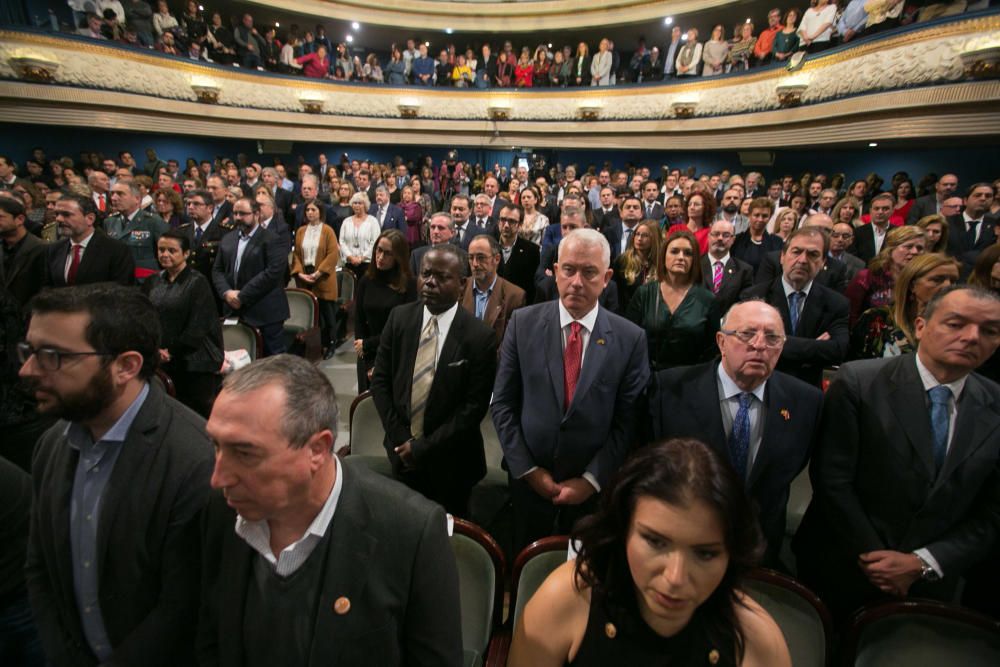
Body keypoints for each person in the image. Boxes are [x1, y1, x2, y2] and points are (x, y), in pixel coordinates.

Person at [199, 355, 464, 666]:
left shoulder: (410, 532)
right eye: (216, 446)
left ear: (317, 449)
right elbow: (210, 642)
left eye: (244, 453)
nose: (218, 478)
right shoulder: (222, 508)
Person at [20, 284, 213, 666]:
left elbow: (183, 606)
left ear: (125, 366)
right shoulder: (53, 445)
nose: (27, 370)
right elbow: (40, 568)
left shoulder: (193, 459)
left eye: (53, 356)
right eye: (29, 352)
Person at [795, 285, 1000, 620]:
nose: (972, 337)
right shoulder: (859, 382)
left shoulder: (995, 405)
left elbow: (992, 512)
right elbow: (832, 479)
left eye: (989, 330)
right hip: (844, 562)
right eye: (956, 324)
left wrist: (924, 562)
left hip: (930, 580)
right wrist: (877, 556)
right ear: (920, 326)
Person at [510, 438, 791, 667]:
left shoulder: (758, 642)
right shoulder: (566, 599)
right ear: (623, 530)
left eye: (705, 554)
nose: (675, 578)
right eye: (656, 542)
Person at [492, 229, 649, 551]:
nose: (577, 281)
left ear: (606, 277)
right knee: (525, 569)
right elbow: (503, 404)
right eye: (568, 270)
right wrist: (529, 470)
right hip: (527, 482)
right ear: (555, 270)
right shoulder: (522, 324)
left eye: (589, 272)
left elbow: (627, 422)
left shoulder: (630, 339)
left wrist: (590, 481)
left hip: (593, 492)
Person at [650, 301, 822, 566]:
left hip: (758, 551)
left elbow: (790, 469)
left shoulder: (806, 402)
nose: (759, 345)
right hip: (682, 547)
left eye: (772, 337)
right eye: (747, 334)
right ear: (721, 342)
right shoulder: (669, 390)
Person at [370, 244, 497, 517]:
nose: (430, 282)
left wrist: (422, 448)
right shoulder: (400, 318)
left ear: (462, 284)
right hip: (400, 454)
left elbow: (473, 408)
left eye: (442, 277)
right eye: (426, 274)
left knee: (447, 543)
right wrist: (402, 439)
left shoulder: (479, 337)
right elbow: (380, 382)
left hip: (451, 464)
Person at [740, 227, 849, 387]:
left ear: (823, 262)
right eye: (796, 252)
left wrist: (773, 339)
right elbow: (746, 344)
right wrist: (815, 346)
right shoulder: (754, 297)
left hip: (808, 389)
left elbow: (838, 350)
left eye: (813, 254)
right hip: (762, 385)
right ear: (782, 256)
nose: (803, 260)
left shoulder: (836, 303)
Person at [141, 229, 223, 417]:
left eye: (172, 250)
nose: (165, 255)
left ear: (186, 254)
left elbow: (198, 326)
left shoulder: (197, 282)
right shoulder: (153, 281)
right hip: (161, 356)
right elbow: (145, 316)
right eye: (161, 250)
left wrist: (172, 351)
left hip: (193, 360)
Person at [627, 230, 719, 370]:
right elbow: (629, 340)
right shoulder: (644, 293)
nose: (681, 257)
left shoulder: (707, 300)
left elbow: (711, 351)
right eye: (674, 251)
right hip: (647, 379)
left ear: (694, 260)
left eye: (688, 253)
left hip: (690, 381)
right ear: (664, 256)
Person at [212, 197, 289, 356]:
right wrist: (227, 293)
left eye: (243, 213)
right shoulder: (228, 238)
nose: (238, 217)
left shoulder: (273, 238)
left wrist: (242, 296)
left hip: (265, 311)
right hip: (233, 308)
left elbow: (272, 273)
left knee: (273, 362)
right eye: (235, 213)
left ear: (256, 214)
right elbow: (217, 270)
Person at [850, 253, 960, 359]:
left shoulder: (957, 325)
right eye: (937, 280)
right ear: (912, 285)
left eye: (953, 281)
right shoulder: (877, 318)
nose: (948, 286)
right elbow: (854, 367)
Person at [353, 229, 417, 391]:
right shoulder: (366, 280)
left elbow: (404, 330)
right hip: (367, 355)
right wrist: (367, 359)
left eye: (387, 253)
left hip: (395, 355)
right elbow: (359, 321)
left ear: (398, 257)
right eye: (379, 250)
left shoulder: (410, 285)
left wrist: (368, 345)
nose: (380, 257)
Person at [44, 194, 134, 287]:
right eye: (57, 214)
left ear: (90, 219)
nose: (58, 219)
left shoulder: (116, 250)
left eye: (66, 214)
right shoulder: (53, 249)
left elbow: (122, 292)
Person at [845, 226, 925, 327]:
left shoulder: (923, 280)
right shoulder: (866, 277)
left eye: (920, 248)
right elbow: (850, 315)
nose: (915, 252)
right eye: (908, 246)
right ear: (891, 249)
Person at [290, 201, 341, 357]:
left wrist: (319, 273)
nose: (310, 212)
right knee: (312, 313)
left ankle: (330, 343)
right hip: (306, 274)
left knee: (327, 313)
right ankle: (313, 346)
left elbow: (333, 254)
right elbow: (296, 254)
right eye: (308, 210)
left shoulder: (327, 230)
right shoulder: (300, 231)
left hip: (323, 276)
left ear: (320, 212)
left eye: (313, 209)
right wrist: (299, 273)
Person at [462, 234, 526, 347]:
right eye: (471, 258)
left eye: (481, 258)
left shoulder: (515, 296)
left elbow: (510, 345)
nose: (475, 264)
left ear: (496, 259)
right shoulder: (459, 289)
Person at [702, 219, 754, 316]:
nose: (720, 238)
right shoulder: (695, 265)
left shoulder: (744, 270)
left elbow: (744, 305)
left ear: (733, 240)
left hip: (729, 326)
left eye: (726, 235)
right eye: (716, 234)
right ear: (709, 237)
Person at [496, 203, 540, 303]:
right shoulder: (489, 245)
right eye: (503, 220)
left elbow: (531, 287)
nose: (506, 225)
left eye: (511, 221)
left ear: (519, 225)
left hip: (518, 305)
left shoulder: (532, 251)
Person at [613, 219, 660, 313]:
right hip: (627, 315)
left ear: (654, 238)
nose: (639, 238)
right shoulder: (622, 261)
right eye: (637, 234)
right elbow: (617, 295)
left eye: (645, 235)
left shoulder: (661, 262)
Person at [339, 192, 380, 280]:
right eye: (354, 203)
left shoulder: (373, 221)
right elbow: (342, 241)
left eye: (359, 203)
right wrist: (350, 257)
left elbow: (375, 242)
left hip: (366, 263)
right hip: (349, 263)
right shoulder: (346, 221)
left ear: (365, 205)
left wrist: (361, 258)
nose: (356, 205)